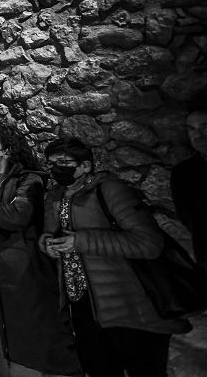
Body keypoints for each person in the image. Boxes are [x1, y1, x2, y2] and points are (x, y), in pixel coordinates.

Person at [39, 138, 190, 377]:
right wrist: (47, 244)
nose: (56, 168)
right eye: (51, 163)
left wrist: (80, 241)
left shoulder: (109, 190)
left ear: (85, 166)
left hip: (129, 307)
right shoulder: (56, 196)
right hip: (83, 306)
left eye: (64, 162)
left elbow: (149, 243)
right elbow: (51, 233)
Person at [0, 127, 80, 377]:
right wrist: (2, 221)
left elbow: (20, 215)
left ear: (7, 149)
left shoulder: (29, 179)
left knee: (24, 331)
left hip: (20, 271)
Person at [171, 109, 207, 270]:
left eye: (204, 127)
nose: (197, 135)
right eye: (191, 129)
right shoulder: (183, 173)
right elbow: (187, 216)